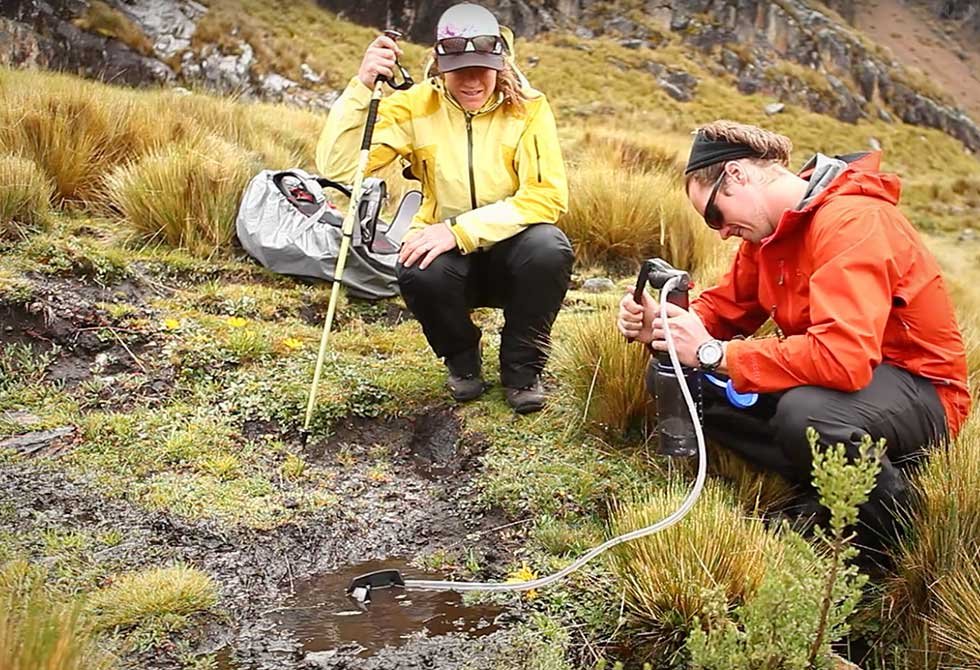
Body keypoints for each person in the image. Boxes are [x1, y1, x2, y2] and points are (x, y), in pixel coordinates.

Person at [617, 120, 971, 557]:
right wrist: (665, 325)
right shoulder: (771, 234)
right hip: (838, 384)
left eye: (715, 215)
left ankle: (893, 539)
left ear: (737, 176)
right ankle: (826, 485)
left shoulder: (853, 221)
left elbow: (842, 358)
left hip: (921, 391)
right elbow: (727, 308)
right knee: (679, 377)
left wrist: (713, 352)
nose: (721, 232)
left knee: (806, 414)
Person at [316, 2, 573, 414]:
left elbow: (547, 196)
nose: (472, 81)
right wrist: (361, 87)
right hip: (449, 262)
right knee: (417, 265)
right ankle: (462, 361)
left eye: (483, 68)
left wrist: (459, 231)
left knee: (549, 247)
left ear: (500, 63)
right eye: (459, 69)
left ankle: (523, 369)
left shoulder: (529, 108)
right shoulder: (415, 106)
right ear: (439, 64)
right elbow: (340, 166)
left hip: (513, 252)